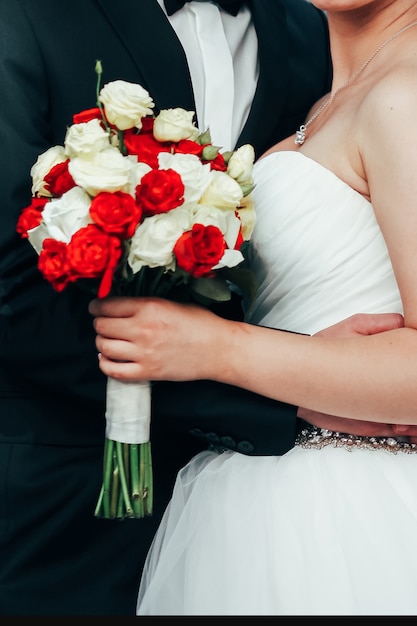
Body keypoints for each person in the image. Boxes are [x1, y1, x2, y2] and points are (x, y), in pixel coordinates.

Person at [89, 0, 417, 616]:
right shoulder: (321, 97)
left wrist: (218, 348)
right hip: (260, 497)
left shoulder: (407, 92)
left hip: (353, 516)